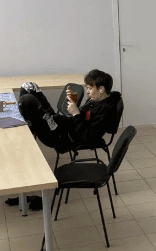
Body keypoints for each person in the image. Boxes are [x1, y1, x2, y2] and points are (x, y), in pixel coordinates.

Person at [7, 70, 122, 210]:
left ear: (101, 89)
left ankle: (36, 124)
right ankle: (38, 122)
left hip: (62, 138)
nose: (87, 92)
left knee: (26, 101)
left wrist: (76, 113)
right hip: (62, 125)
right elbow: (83, 118)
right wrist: (74, 103)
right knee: (28, 86)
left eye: (89, 88)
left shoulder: (106, 111)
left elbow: (88, 137)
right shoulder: (97, 99)